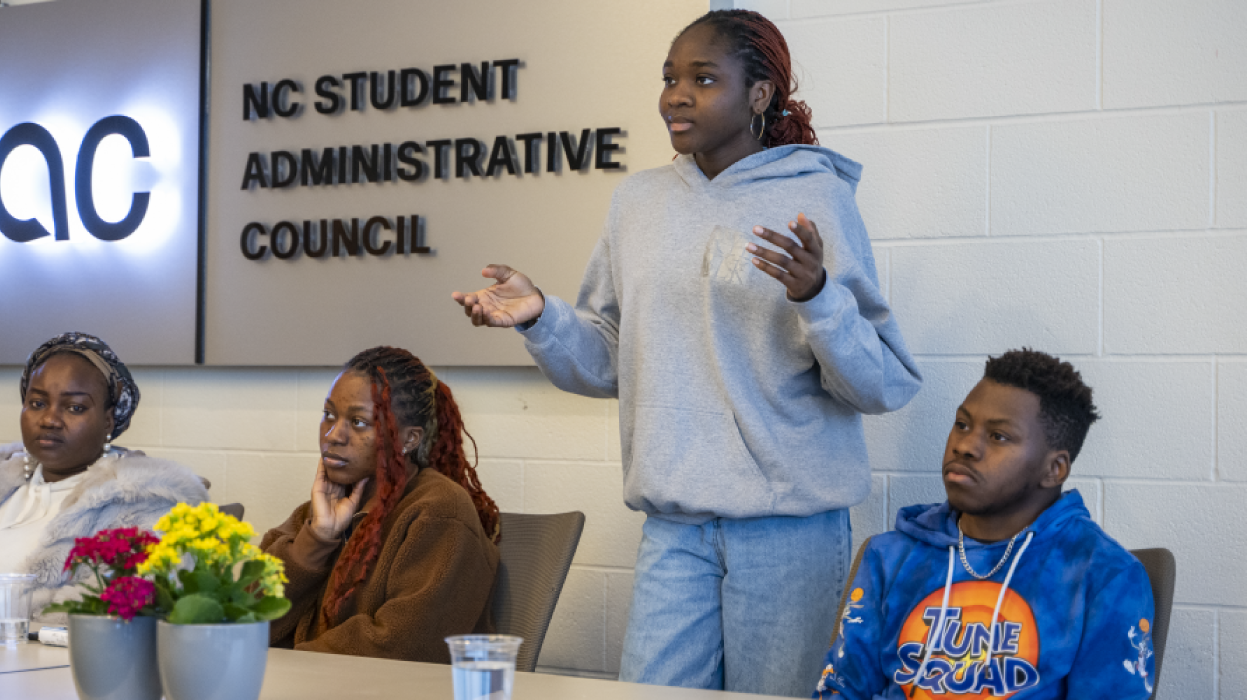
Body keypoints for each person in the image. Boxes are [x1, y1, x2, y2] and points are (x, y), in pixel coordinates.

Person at [451, 9, 920, 696]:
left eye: (703, 78)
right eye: (670, 77)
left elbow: (882, 384)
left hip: (787, 535)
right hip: (674, 529)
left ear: (760, 95)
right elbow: (612, 356)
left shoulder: (815, 197)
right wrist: (542, 316)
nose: (677, 94)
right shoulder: (638, 202)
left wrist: (818, 295)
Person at [815, 349, 1156, 699]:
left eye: (998, 437)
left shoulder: (1103, 575)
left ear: (1054, 469)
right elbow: (841, 689)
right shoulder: (890, 556)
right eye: (962, 424)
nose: (964, 445)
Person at [0, 332, 209, 620]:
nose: (49, 419)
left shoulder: (143, 507)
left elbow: (107, 624)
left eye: (75, 407)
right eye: (36, 403)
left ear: (108, 420)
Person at [261, 346, 500, 663]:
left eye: (358, 422)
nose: (333, 435)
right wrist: (316, 540)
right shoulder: (319, 510)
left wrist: (285, 666)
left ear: (408, 440)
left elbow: (400, 646)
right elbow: (241, 618)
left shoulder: (439, 511)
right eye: (329, 415)